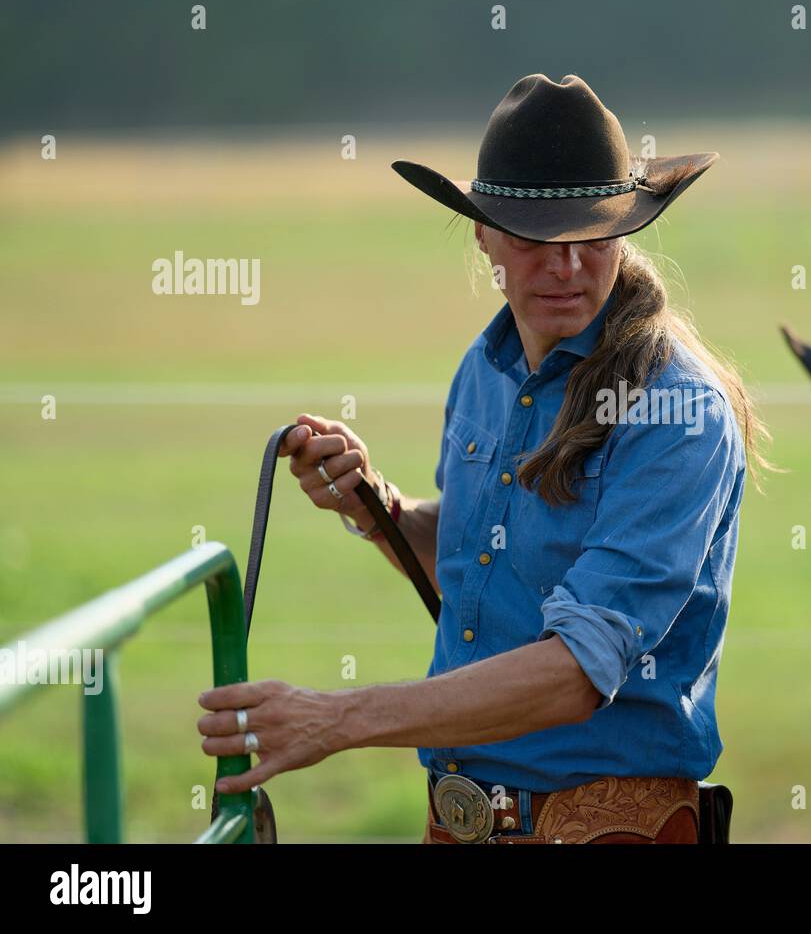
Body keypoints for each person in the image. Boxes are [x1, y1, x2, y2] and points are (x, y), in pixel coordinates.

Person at [196, 73, 769, 844]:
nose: (566, 267)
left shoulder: (678, 412)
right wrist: (378, 509)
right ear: (484, 234)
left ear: (626, 232)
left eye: (591, 235)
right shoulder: (485, 369)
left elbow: (576, 670)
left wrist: (334, 720)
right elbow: (480, 568)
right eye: (537, 238)